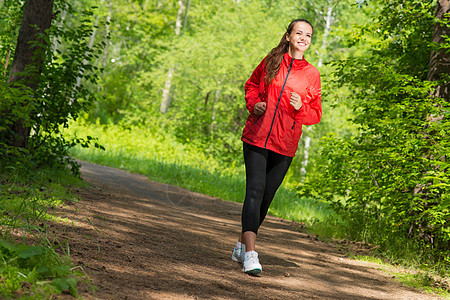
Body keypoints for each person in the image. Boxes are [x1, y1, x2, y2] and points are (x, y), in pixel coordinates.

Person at [232, 19, 322, 275]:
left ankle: (240, 245)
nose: (304, 38)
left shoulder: (312, 74)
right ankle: (250, 254)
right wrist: (255, 104)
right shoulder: (271, 62)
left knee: (266, 199)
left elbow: (315, 114)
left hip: (285, 145)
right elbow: (251, 86)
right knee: (255, 191)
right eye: (299, 33)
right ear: (288, 36)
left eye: (309, 35)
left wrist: (300, 107)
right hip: (257, 137)